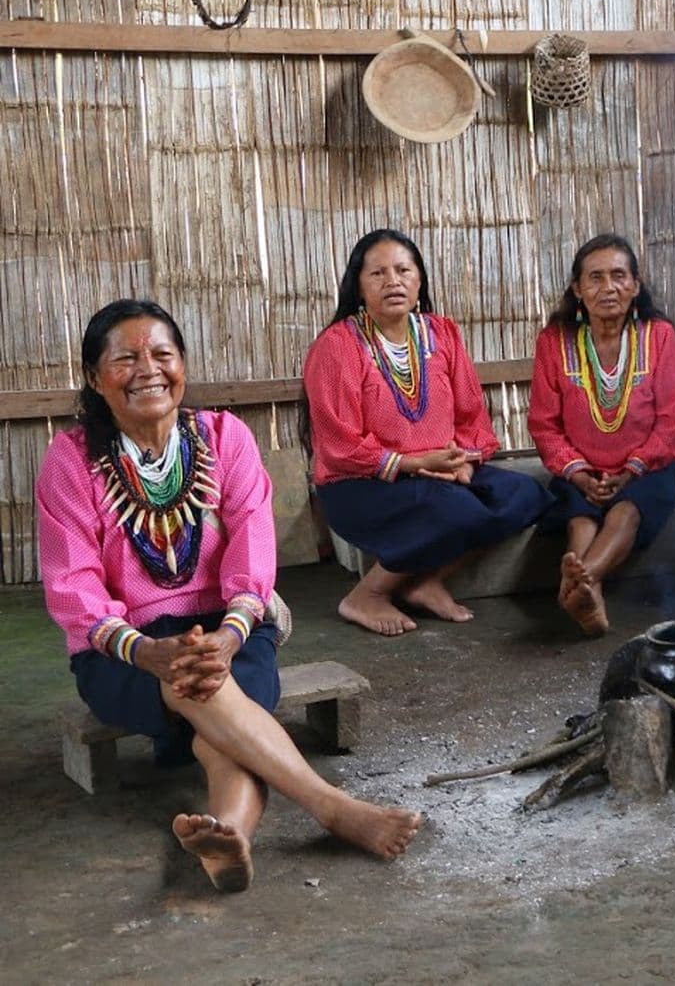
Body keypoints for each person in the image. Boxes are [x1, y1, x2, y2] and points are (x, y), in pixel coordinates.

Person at [37, 300, 424, 893]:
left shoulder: (225, 438)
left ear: (182, 364)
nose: (149, 369)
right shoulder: (72, 460)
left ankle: (232, 835)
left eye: (163, 354)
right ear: (94, 377)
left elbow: (253, 551)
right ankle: (332, 807)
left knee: (211, 705)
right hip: (118, 654)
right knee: (194, 685)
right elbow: (73, 586)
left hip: (231, 630)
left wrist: (227, 635)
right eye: (126, 359)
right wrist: (147, 652)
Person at [304, 228, 551, 636]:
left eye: (403, 270)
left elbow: (472, 417)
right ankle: (366, 595)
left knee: (528, 494)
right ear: (358, 286)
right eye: (378, 273)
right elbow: (339, 444)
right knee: (456, 509)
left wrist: (465, 464)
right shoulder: (337, 346)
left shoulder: (442, 334)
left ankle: (425, 580)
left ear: (419, 280)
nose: (393, 281)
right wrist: (417, 463)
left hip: (442, 475)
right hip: (361, 484)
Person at [530, 234, 675, 636]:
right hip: (579, 467)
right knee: (580, 519)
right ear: (577, 290)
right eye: (595, 278)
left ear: (636, 285)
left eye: (619, 276)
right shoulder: (554, 342)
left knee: (626, 511)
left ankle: (580, 583)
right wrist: (578, 472)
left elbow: (671, 421)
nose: (608, 287)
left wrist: (633, 469)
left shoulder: (659, 336)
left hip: (647, 467)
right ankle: (590, 594)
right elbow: (544, 425)